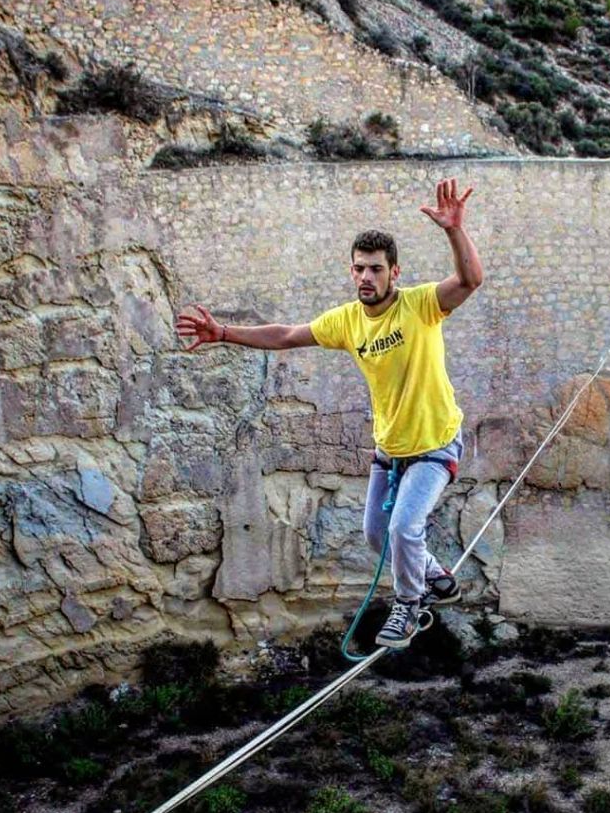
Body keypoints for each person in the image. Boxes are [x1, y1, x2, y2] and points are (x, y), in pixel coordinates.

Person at [175, 178, 483, 649]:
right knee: (378, 535)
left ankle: (409, 602)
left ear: (394, 273)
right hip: (390, 449)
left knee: (404, 528)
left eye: (376, 270)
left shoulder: (421, 305)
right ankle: (435, 574)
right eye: (359, 269)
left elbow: (469, 281)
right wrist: (223, 334)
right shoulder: (346, 321)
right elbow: (284, 336)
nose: (366, 277)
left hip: (435, 444)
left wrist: (454, 232)